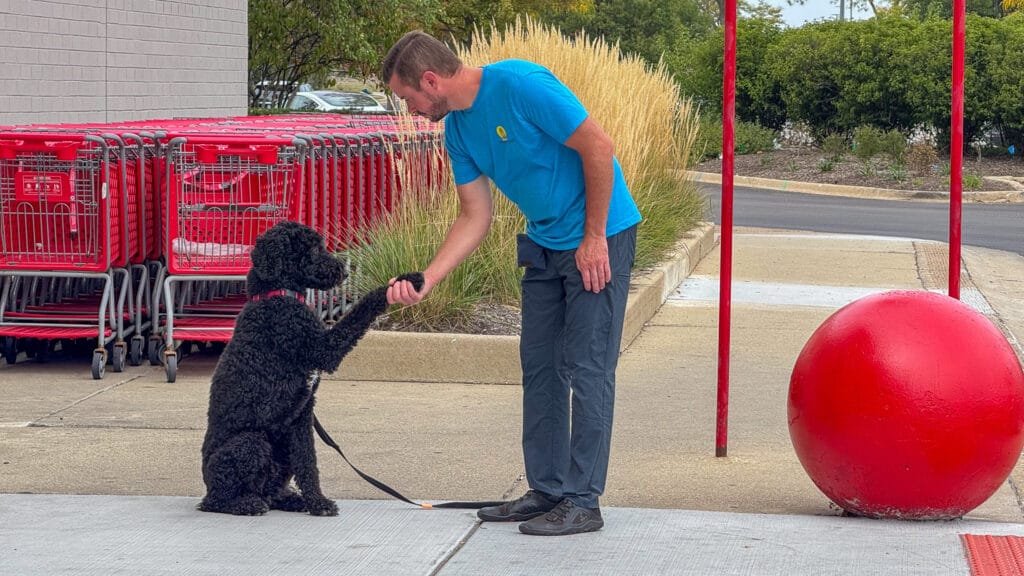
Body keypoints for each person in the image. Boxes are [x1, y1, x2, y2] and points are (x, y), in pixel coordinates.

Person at [381, 30, 641, 536]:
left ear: (430, 81)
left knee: (589, 367)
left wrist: (593, 238)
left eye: (409, 98)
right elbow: (475, 215)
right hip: (544, 242)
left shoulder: (520, 84)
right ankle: (547, 491)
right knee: (540, 366)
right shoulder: (457, 131)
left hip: (600, 233)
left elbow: (598, 146)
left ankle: (583, 501)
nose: (411, 110)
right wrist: (429, 278)